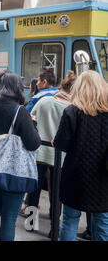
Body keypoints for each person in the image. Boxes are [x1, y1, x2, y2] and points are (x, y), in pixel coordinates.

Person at [0, 70, 41, 241]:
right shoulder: (19, 111)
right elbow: (33, 143)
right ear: (17, 89)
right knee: (9, 219)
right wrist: (32, 123)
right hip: (13, 175)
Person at [53, 70, 108, 241]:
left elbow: (62, 144)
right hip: (103, 177)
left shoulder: (71, 111)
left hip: (75, 174)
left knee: (70, 219)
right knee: (102, 221)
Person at [25, 70, 77, 234]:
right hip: (59, 156)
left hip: (39, 152)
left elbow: (31, 119)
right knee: (56, 192)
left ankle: (31, 223)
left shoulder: (44, 101)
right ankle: (54, 225)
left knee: (35, 189)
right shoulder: (73, 108)